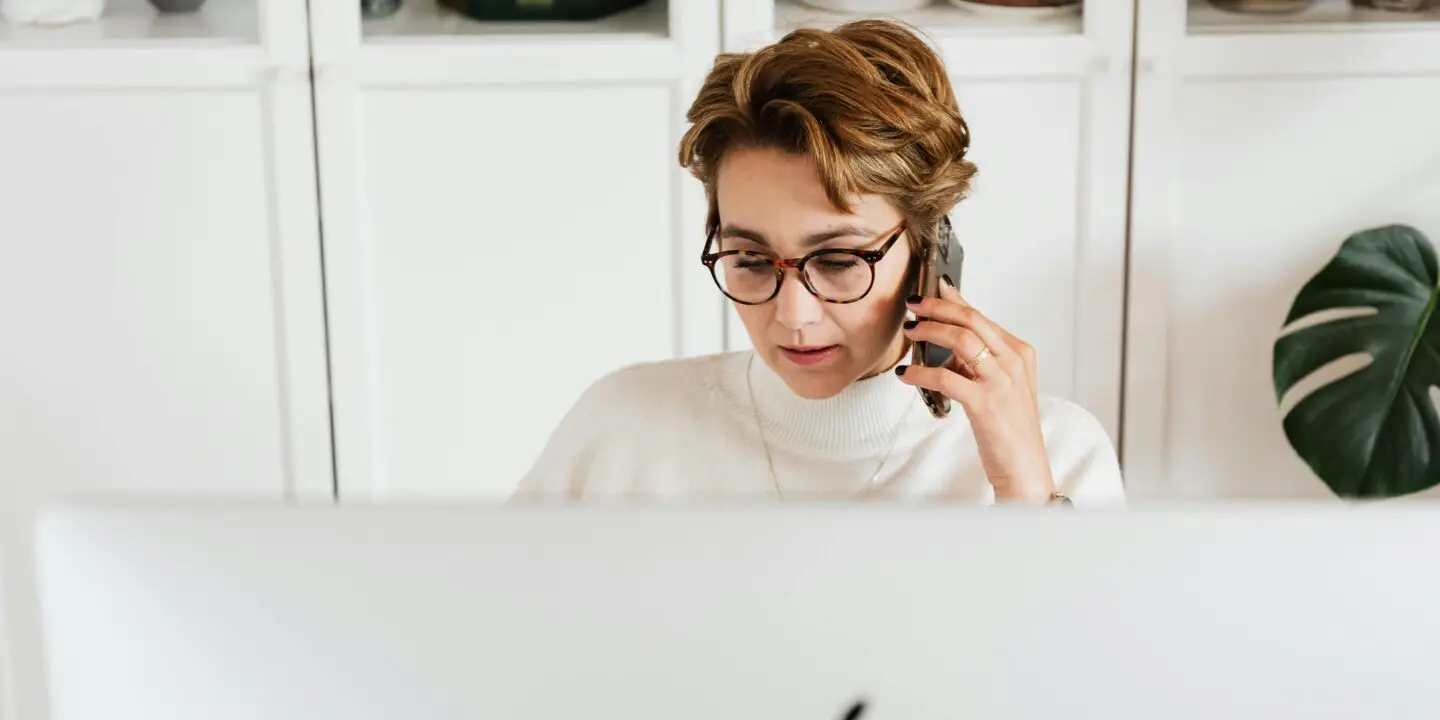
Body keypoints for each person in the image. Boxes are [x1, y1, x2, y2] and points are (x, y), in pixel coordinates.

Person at [512, 19, 1124, 506]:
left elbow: (1087, 663)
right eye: (750, 258)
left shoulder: (1056, 452)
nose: (793, 316)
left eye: (837, 260)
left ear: (928, 251)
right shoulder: (623, 427)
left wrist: (1024, 492)